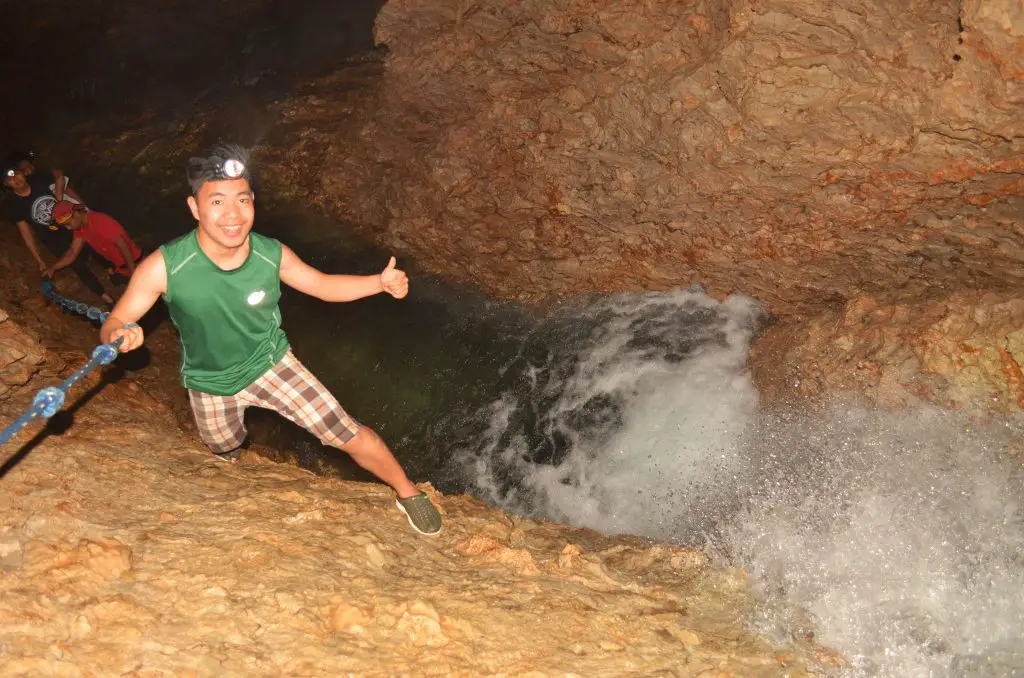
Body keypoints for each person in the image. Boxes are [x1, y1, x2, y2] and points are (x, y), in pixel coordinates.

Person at [100, 143, 442, 536]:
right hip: (208, 382)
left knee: (344, 431)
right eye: (217, 202)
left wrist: (378, 283)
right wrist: (118, 335)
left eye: (242, 200)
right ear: (194, 208)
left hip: (272, 366)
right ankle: (233, 455)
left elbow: (323, 285)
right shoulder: (165, 266)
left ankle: (408, 493)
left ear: (253, 203)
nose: (233, 215)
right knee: (222, 447)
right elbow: (117, 319)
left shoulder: (270, 254)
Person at [2, 160, 113, 305]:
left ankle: (110, 269)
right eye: (9, 179)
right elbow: (26, 233)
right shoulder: (14, 205)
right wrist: (39, 260)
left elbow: (59, 174)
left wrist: (60, 201)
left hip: (67, 223)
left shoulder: (38, 180)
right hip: (51, 238)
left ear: (22, 172)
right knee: (77, 264)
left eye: (16, 174)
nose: (15, 179)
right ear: (6, 185)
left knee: (90, 245)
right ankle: (104, 295)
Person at [46, 200, 142, 285]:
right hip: (122, 267)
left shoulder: (98, 221)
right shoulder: (81, 229)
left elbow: (123, 245)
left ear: (76, 213)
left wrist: (133, 273)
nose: (68, 228)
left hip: (134, 263)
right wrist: (53, 268)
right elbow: (73, 252)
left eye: (68, 224)